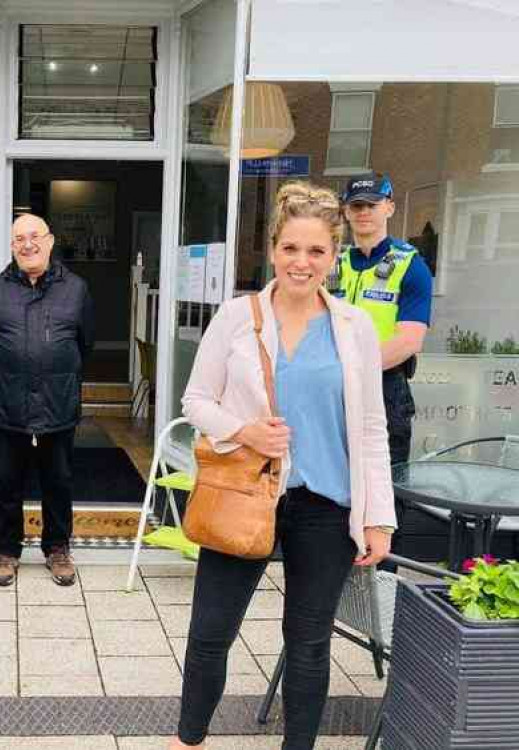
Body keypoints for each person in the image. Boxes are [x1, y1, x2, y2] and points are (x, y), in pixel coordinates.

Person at [171, 182, 396, 750]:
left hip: (326, 504)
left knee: (309, 640)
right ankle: (187, 741)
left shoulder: (354, 329)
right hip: (247, 493)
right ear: (273, 250)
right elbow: (195, 401)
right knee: (210, 633)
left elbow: (371, 427)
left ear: (333, 256)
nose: (302, 262)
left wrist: (378, 517)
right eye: (291, 248)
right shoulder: (235, 318)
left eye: (316, 251)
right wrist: (243, 430)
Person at [0, 213, 94, 587]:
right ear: (11, 247)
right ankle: (8, 550)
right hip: (9, 405)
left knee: (57, 480)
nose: (27, 245)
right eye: (19, 239)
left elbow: (84, 344)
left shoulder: (76, 289)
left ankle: (57, 548)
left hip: (58, 405)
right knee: (8, 481)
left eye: (34, 237)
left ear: (50, 240)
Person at [337, 173, 433, 564]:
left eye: (372, 205)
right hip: (335, 388)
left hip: (385, 389)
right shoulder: (335, 264)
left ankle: (383, 586)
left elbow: (408, 340)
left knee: (384, 490)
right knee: (337, 483)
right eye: (356, 206)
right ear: (346, 211)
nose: (364, 213)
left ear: (389, 207)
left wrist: (352, 367)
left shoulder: (410, 265)